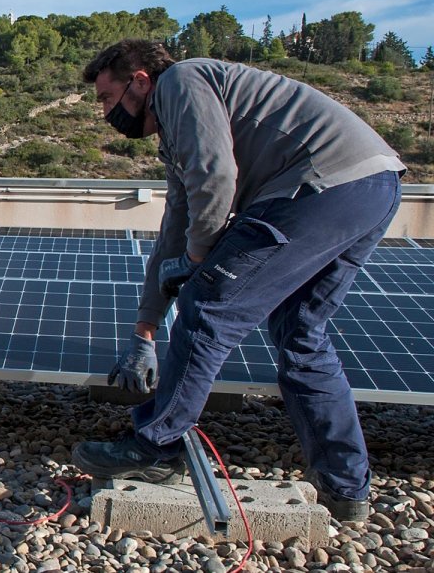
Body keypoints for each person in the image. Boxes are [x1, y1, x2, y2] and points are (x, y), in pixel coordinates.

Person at [71, 39, 405, 523]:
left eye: (107, 98)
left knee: (208, 307)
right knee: (302, 335)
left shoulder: (181, 81)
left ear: (140, 80)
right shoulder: (177, 129)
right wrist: (144, 330)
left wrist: (198, 262)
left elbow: (214, 176)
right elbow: (177, 226)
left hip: (315, 187)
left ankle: (155, 448)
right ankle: (345, 487)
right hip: (370, 187)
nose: (105, 113)